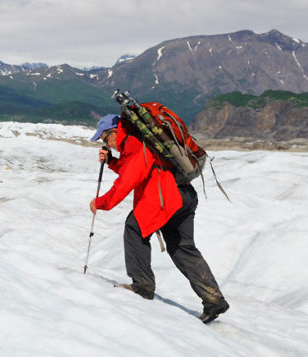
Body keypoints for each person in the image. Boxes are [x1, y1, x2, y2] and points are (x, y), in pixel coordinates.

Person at [89, 113, 230, 323]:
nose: (107, 145)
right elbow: (137, 170)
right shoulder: (138, 143)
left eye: (105, 139)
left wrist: (101, 202)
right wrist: (112, 162)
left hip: (166, 196)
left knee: (134, 227)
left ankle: (142, 287)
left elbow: (128, 181)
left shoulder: (135, 143)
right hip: (184, 195)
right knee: (182, 248)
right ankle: (213, 299)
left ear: (115, 131)